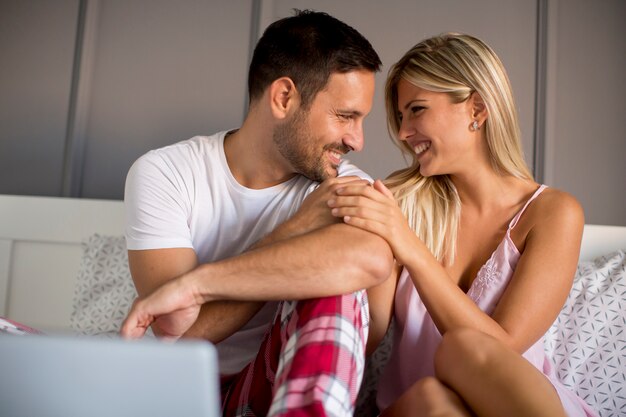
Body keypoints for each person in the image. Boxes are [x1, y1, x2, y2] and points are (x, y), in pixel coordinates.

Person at [122, 10, 393, 417]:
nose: (357, 139)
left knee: (340, 282)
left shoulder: (338, 182)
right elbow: (180, 332)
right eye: (345, 115)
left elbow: (369, 260)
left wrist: (198, 285)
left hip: (272, 389)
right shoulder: (166, 173)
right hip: (173, 390)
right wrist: (297, 227)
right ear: (284, 98)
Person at [326, 33, 598, 416]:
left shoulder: (553, 213)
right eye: (401, 116)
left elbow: (501, 348)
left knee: (462, 348)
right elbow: (364, 336)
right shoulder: (398, 204)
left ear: (477, 110)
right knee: (429, 398)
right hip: (420, 410)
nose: (403, 133)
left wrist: (411, 249)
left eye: (417, 110)